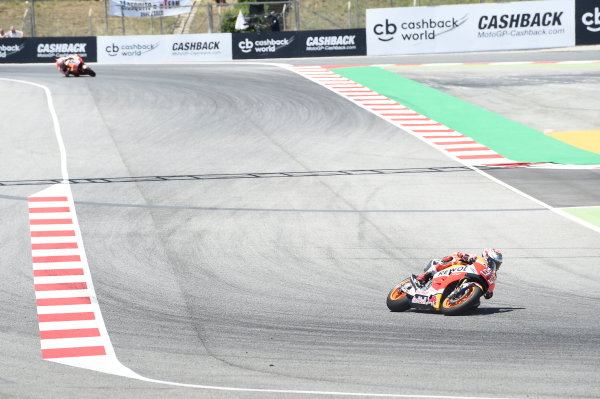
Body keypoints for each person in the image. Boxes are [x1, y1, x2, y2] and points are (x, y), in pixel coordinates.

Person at [416, 248, 502, 299]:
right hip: (458, 270)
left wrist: (489, 292)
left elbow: (489, 293)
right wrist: (463, 255)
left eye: (497, 264)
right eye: (494, 262)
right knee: (449, 258)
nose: (495, 266)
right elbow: (457, 254)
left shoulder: (493, 275)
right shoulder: (479, 259)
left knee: (476, 305)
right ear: (487, 258)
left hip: (473, 280)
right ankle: (424, 276)